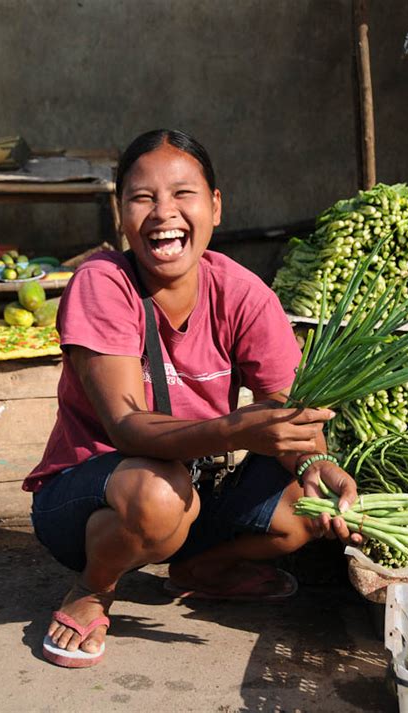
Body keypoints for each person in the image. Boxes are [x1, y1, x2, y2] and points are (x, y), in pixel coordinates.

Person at [23, 128, 361, 669]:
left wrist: (317, 462)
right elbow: (127, 428)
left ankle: (200, 568)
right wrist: (238, 429)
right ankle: (93, 588)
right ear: (120, 214)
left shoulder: (244, 293)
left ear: (215, 207)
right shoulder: (102, 282)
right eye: (142, 197)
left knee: (306, 507)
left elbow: (293, 415)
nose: (164, 213)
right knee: (157, 493)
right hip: (92, 495)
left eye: (183, 194)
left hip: (196, 490)